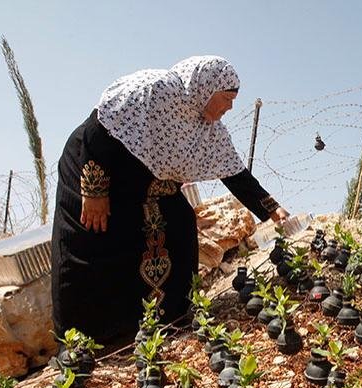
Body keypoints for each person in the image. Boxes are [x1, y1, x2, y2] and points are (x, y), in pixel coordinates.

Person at [51, 55, 288, 343]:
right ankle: (84, 338)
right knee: (94, 240)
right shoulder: (154, 90)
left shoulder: (208, 129)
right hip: (94, 169)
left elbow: (235, 173)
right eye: (226, 98)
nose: (230, 107)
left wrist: (273, 210)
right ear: (205, 89)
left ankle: (168, 316)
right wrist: (94, 190)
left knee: (178, 224)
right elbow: (97, 129)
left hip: (143, 185)